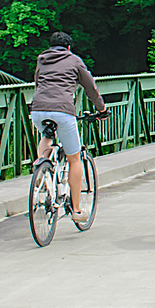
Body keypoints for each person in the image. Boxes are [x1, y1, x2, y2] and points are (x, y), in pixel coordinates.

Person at [29, 30, 108, 221]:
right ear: (69, 47)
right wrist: (102, 109)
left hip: (38, 110)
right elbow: (90, 87)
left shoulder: (42, 59)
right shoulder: (74, 60)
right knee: (74, 159)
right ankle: (77, 209)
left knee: (47, 137)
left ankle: (42, 172)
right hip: (63, 111)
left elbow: (38, 82)